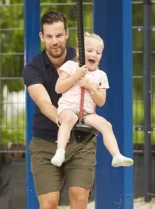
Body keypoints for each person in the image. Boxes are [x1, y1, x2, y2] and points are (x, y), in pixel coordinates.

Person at [22, 10, 96, 209]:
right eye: (49, 36)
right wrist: (65, 119)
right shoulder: (33, 68)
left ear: (67, 34)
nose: (55, 41)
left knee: (79, 199)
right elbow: (43, 103)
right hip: (45, 142)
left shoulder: (81, 57)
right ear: (42, 37)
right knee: (49, 203)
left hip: (82, 142)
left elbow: (99, 87)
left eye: (59, 35)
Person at [51, 32, 133, 169]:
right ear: (80, 52)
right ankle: (60, 152)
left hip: (87, 113)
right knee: (68, 119)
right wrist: (75, 77)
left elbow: (101, 101)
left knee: (106, 125)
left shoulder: (101, 75)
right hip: (69, 107)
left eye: (98, 52)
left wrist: (91, 87)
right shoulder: (71, 66)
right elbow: (58, 88)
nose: (94, 55)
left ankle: (116, 155)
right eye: (89, 51)